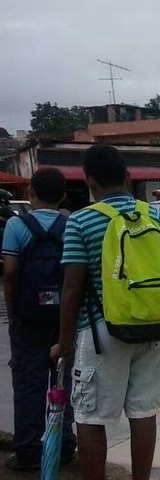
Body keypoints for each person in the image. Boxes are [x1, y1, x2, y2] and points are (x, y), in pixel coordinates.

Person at [49, 144, 160, 480]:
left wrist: (63, 343)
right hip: (153, 329)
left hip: (101, 333)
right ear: (127, 178)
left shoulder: (81, 221)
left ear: (89, 182)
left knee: (90, 417)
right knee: (143, 413)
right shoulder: (152, 214)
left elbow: (72, 288)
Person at [2, 168, 76, 471]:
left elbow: (9, 273)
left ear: (30, 193)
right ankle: (64, 448)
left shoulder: (16, 226)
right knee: (64, 384)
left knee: (28, 385)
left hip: (28, 319)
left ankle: (29, 452)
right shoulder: (71, 224)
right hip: (65, 319)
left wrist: (14, 314)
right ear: (62, 196)